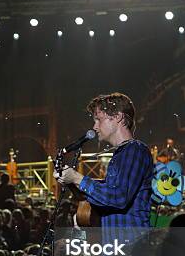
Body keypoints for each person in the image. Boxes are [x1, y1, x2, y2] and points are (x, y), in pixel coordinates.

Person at [53, 92, 153, 229]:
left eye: (98, 120)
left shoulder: (134, 150)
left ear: (118, 117)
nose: (94, 127)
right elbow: (104, 197)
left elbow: (118, 197)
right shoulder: (121, 154)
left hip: (131, 245)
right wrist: (70, 181)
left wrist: (77, 178)